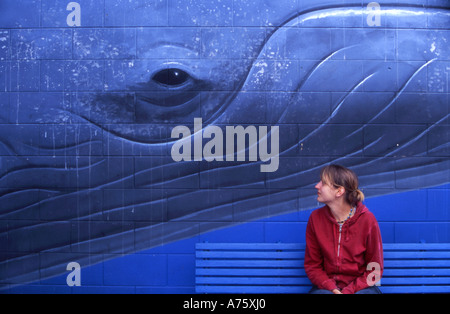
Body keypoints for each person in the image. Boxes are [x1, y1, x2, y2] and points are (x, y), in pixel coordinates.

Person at [304, 164, 383, 294]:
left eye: (323, 183)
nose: (317, 186)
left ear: (339, 191)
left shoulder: (367, 220)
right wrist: (332, 289)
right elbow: (312, 266)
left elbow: (375, 269)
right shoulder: (316, 218)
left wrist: (349, 291)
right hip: (327, 289)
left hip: (360, 288)